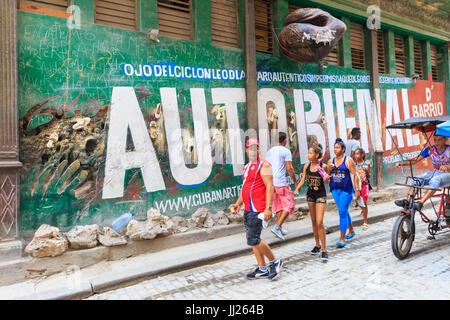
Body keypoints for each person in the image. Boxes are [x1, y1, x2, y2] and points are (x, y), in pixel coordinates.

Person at [229, 138, 283, 280]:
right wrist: (238, 204)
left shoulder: (264, 165)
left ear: (259, 149)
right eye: (250, 148)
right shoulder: (247, 167)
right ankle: (262, 269)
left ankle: (275, 261)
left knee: (254, 239)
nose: (253, 150)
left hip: (258, 209)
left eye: (256, 148)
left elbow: (270, 187)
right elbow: (245, 188)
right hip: (247, 209)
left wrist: (268, 208)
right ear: (246, 150)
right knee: (252, 238)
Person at [395, 134, 450, 211]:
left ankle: (420, 203)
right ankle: (407, 201)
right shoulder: (430, 149)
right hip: (435, 173)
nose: (437, 142)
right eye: (435, 140)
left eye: (439, 140)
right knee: (418, 179)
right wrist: (402, 163)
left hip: (448, 174)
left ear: (445, 140)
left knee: (435, 180)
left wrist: (447, 168)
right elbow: (415, 160)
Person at [294, 144, 329, 261]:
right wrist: (297, 188)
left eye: (310, 153)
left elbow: (327, 180)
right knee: (314, 221)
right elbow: (303, 180)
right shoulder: (306, 166)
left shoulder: (322, 166)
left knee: (320, 222)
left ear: (317, 155)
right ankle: (317, 245)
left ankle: (324, 250)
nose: (308, 155)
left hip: (320, 195)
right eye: (308, 153)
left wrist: (327, 178)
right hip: (310, 195)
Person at [327, 138, 361, 247]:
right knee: (344, 210)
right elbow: (327, 177)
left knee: (342, 212)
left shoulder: (348, 160)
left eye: (337, 148)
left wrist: (357, 190)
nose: (335, 149)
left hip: (346, 190)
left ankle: (342, 239)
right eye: (334, 147)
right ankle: (351, 230)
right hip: (335, 189)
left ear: (343, 149)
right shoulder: (330, 161)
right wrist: (329, 168)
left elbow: (355, 175)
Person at [265, 132, 298, 240]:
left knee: (279, 206)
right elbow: (289, 168)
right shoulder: (286, 151)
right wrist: (296, 182)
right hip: (281, 183)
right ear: (285, 140)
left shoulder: (269, 152)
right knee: (289, 205)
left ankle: (280, 228)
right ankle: (277, 227)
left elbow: (267, 167)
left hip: (272, 183)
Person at [354, 147, 371, 230]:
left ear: (362, 155)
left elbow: (369, 176)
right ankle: (363, 210)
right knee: (358, 201)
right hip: (357, 186)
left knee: (364, 202)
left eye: (357, 154)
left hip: (365, 185)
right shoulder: (353, 165)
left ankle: (365, 222)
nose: (356, 156)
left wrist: (367, 170)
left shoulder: (366, 164)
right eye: (355, 154)